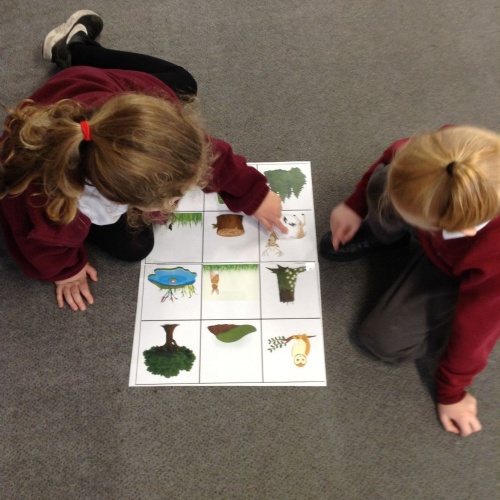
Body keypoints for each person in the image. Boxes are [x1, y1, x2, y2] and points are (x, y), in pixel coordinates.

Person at [0, 10, 287, 312]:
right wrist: (65, 271)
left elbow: (210, 157)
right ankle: (75, 51)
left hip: (95, 85)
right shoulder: (47, 203)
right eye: (175, 196)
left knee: (184, 83)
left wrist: (253, 193)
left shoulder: (157, 120)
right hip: (65, 130)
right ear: (119, 198)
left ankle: (77, 52)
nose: (181, 199)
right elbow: (38, 244)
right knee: (134, 247)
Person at [320, 125, 500, 437]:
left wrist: (452, 392)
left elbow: (478, 328)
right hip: (446, 227)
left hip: (465, 272)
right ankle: (386, 238)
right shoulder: (444, 152)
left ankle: (443, 307)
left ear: (457, 228)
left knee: (383, 339)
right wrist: (355, 206)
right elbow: (392, 156)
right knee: (383, 181)